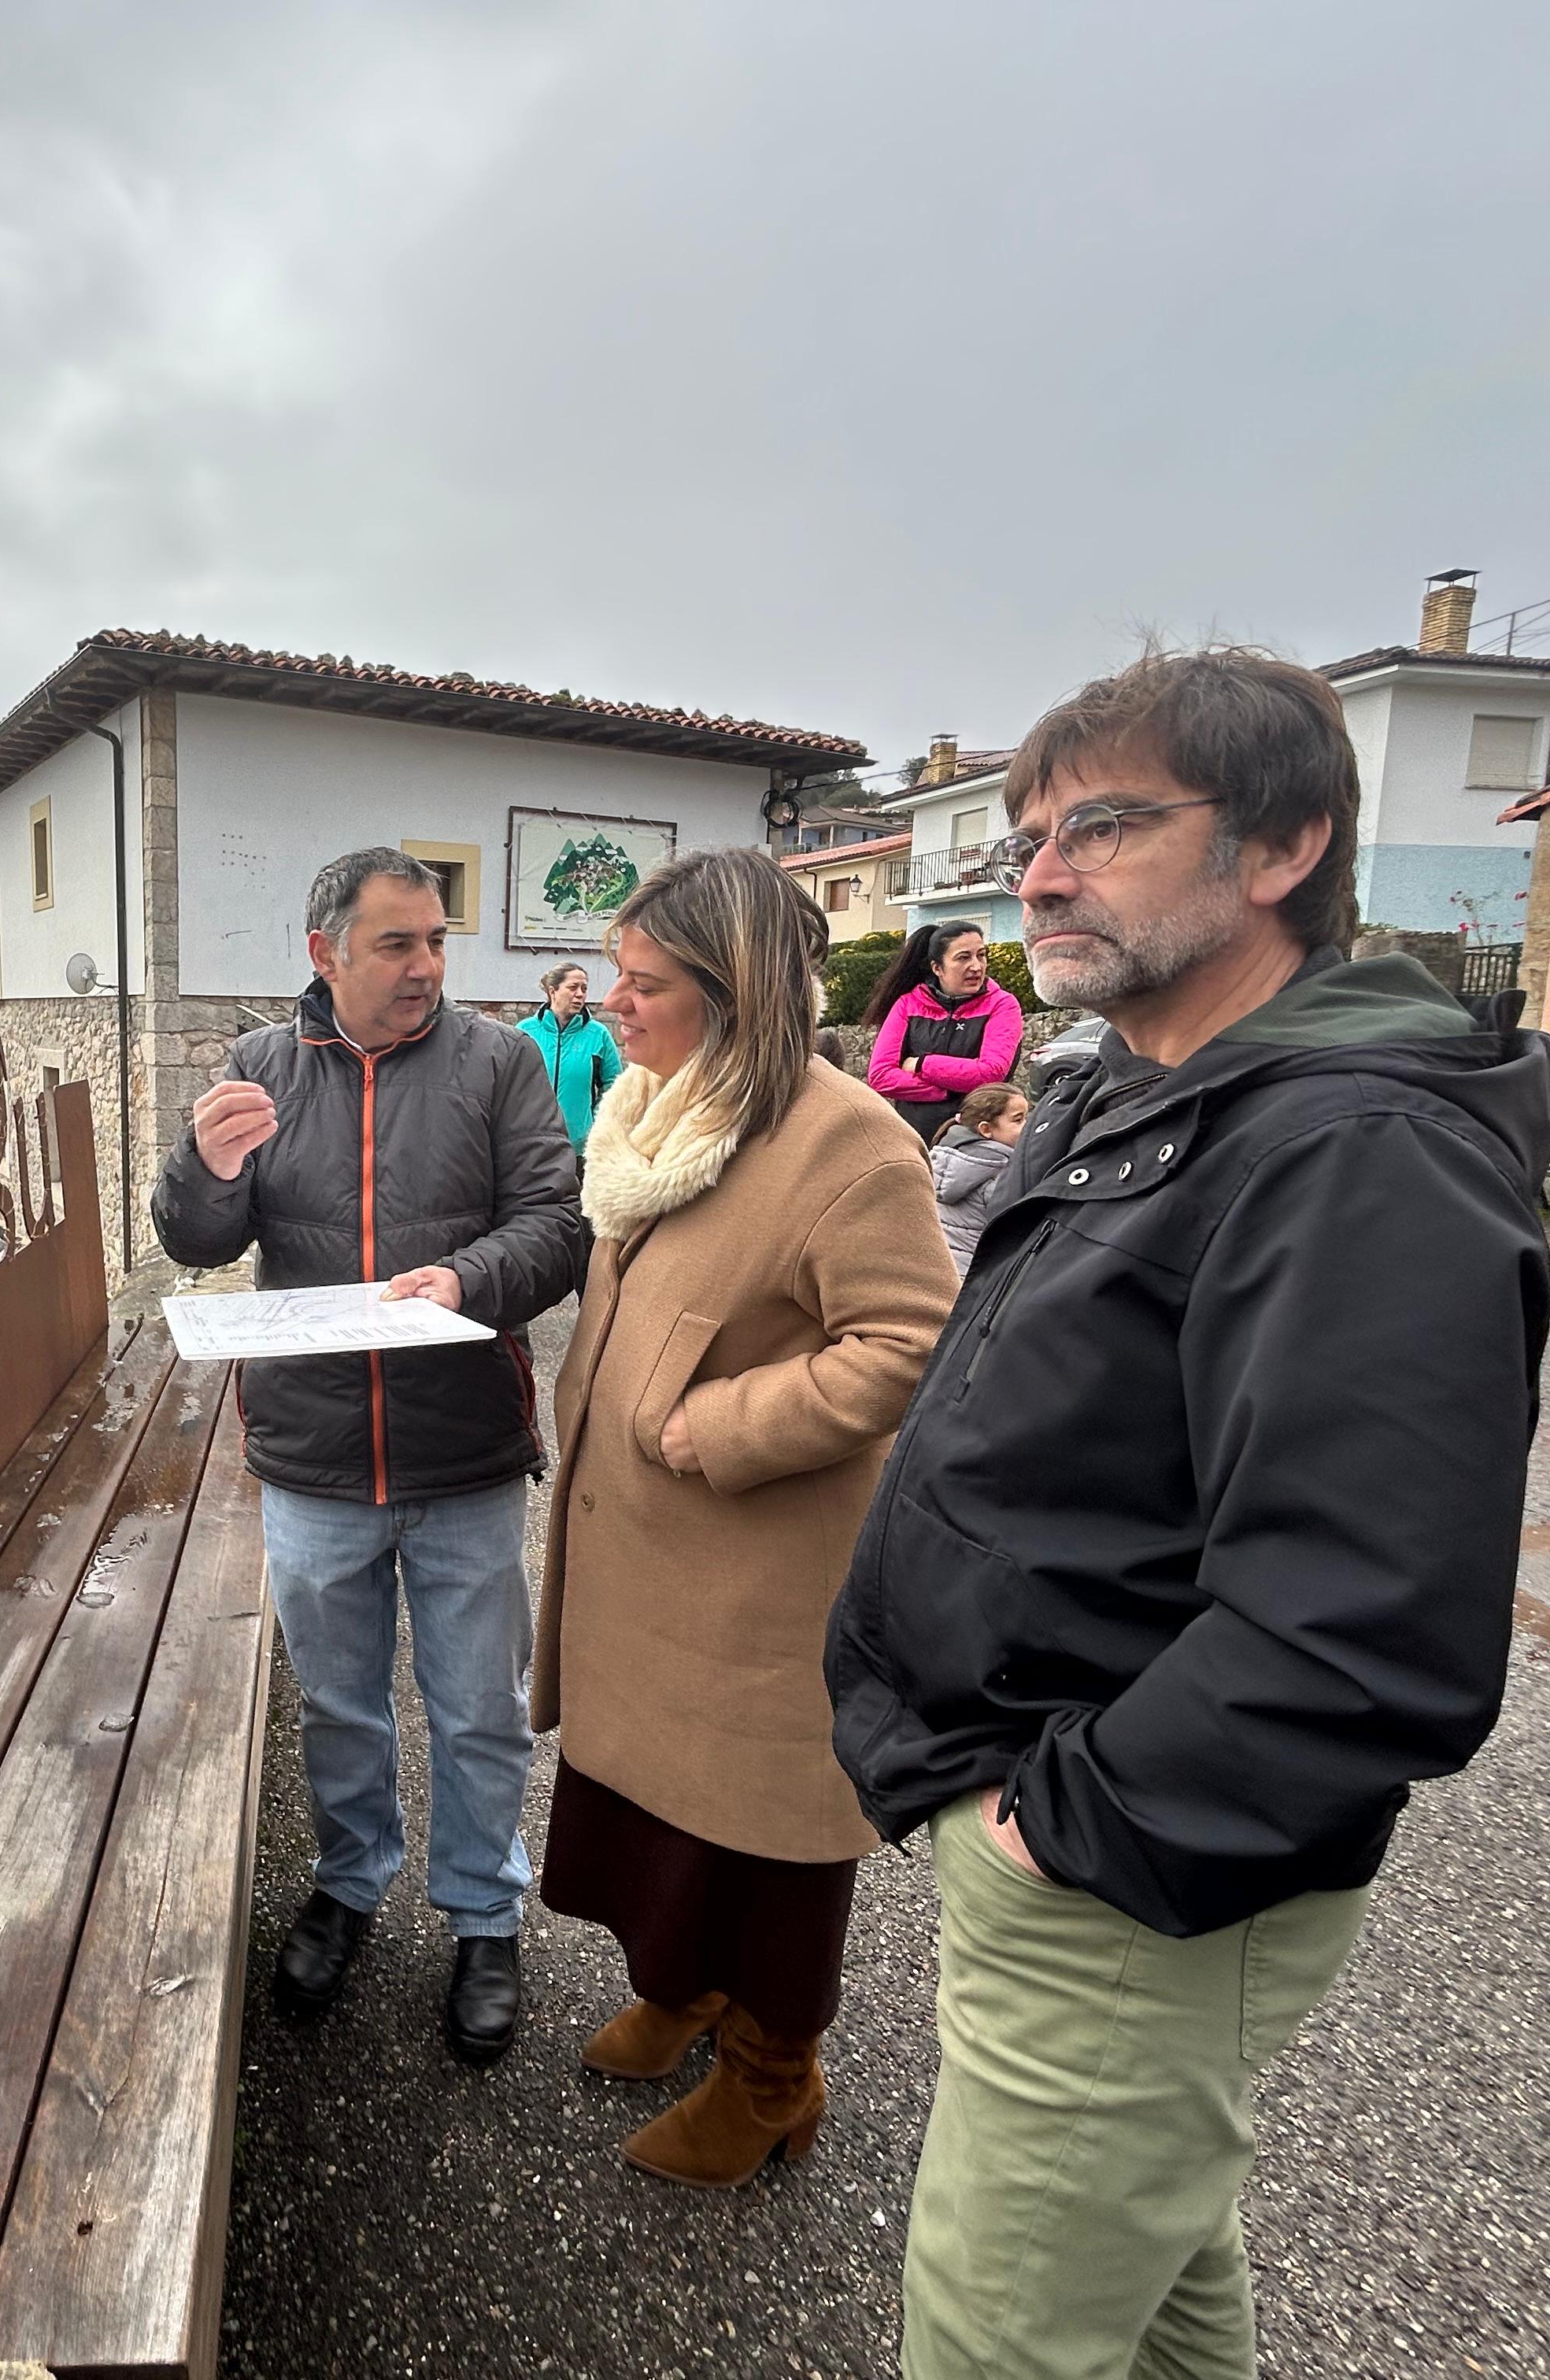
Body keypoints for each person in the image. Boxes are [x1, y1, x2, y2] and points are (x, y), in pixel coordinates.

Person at [823, 649, 1550, 2380]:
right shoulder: (1142, 1096)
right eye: (1026, 837)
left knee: (997, 2340)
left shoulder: (1354, 1150)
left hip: (1128, 1876)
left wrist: (1058, 1830)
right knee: (1157, 2278)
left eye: (1102, 826)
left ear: (1284, 846)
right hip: (1070, 1822)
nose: (1038, 876)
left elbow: (1364, 1630)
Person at [532, 848, 955, 2186]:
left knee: (755, 1836)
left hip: (753, 1577)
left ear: (734, 992)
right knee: (659, 1823)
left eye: (645, 982)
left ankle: (774, 2077)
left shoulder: (850, 1141)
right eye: (616, 974)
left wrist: (718, 1426)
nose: (613, 1001)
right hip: (647, 1557)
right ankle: (687, 1991)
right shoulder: (657, 1109)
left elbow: (913, 1343)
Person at [152, 846, 586, 2065]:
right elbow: (195, 1240)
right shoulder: (261, 1065)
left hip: (463, 1452)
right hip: (316, 1456)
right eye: (398, 943)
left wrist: (466, 1280)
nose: (426, 966)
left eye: (436, 940)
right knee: (340, 1705)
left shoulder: (498, 1062)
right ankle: (349, 1884)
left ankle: (484, 1916)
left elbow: (558, 1227)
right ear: (325, 953)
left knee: (480, 1709)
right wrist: (204, 1167)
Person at [864, 922, 1022, 1145]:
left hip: (979, 1144)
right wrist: (948, 1091)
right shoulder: (907, 1004)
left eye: (981, 955)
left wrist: (922, 1065)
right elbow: (881, 1076)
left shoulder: (1003, 1005)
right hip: (914, 1142)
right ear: (937, 968)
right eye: (964, 957)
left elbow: (991, 1073)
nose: (976, 966)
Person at [519, 959, 623, 1156]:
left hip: (578, 1148)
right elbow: (509, 1083)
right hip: (531, 1145)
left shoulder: (598, 1034)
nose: (580, 994)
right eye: (573, 987)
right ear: (553, 992)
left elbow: (615, 1085)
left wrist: (596, 1123)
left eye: (584, 988)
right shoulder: (526, 1031)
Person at [927, 1082, 1027, 1272]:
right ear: (986, 1129)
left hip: (944, 1271)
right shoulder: (999, 1178)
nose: (1027, 1126)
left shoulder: (940, 1159)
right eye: (1018, 1120)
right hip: (979, 1276)